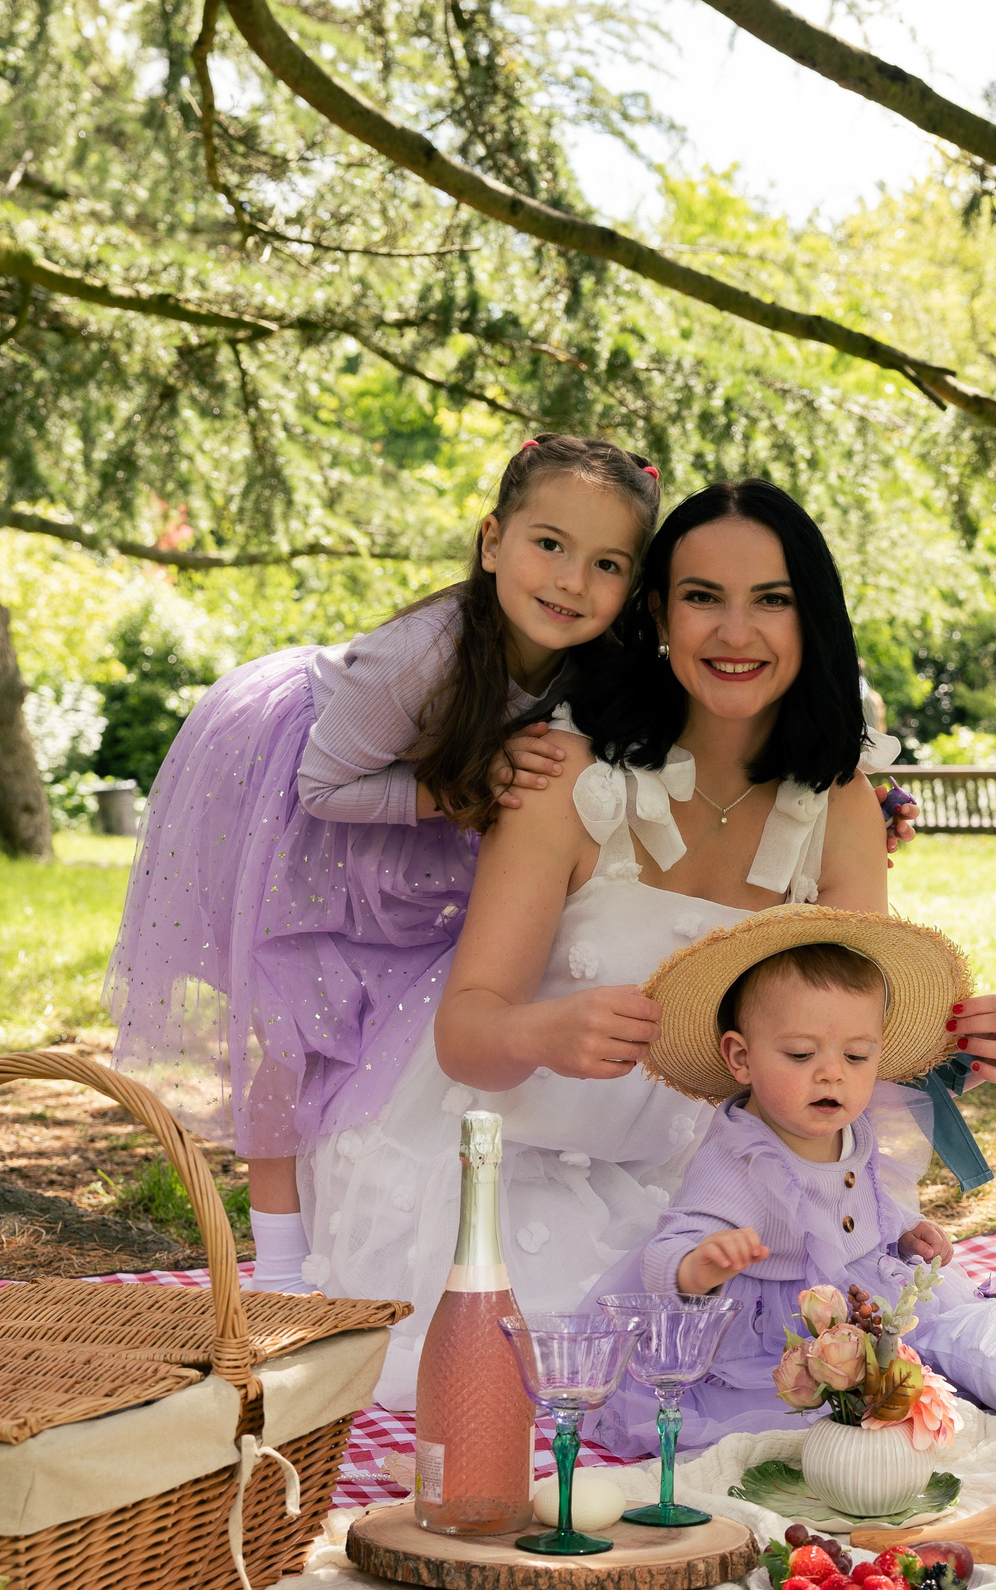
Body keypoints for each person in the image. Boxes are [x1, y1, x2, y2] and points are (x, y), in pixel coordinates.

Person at [298, 479, 996, 1405]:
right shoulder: (566, 775)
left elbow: (849, 1043)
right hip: (527, 1169)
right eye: (702, 598)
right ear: (655, 613)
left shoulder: (838, 801)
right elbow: (466, 1032)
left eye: (772, 600)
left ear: (815, 620)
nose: (737, 632)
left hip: (731, 1192)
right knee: (588, 1375)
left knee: (883, 1355)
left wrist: (965, 1044)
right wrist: (543, 1032)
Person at [104, 434, 663, 1293]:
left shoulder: (595, 666)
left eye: (606, 563)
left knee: (377, 1018)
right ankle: (280, 1261)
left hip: (415, 819)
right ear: (491, 541)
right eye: (548, 544)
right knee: (294, 1029)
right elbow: (323, 783)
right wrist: (468, 785)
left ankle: (345, 1217)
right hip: (308, 801)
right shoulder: (426, 653)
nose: (570, 581)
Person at [581, 909, 984, 1456]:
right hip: (769, 1325)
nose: (832, 1072)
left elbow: (862, 1196)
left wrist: (904, 1229)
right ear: (741, 1058)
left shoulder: (852, 1124)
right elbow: (666, 1250)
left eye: (857, 1055)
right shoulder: (740, 1157)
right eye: (800, 1054)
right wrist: (700, 1266)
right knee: (793, 1424)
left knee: (926, 1368)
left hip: (856, 1296)